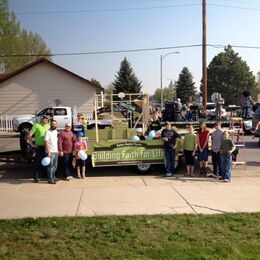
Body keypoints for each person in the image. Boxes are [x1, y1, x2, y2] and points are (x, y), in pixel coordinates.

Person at [28, 115, 50, 183]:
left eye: (45, 119)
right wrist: (32, 144)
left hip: (47, 147)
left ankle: (45, 175)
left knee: (46, 162)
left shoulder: (48, 126)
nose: (44, 120)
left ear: (47, 120)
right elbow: (29, 135)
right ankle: (35, 177)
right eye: (43, 119)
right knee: (38, 162)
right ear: (41, 119)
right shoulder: (36, 125)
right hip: (39, 147)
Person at [45, 120, 59, 184]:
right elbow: (46, 142)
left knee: (55, 166)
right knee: (50, 166)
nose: (54, 125)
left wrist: (57, 150)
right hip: (50, 151)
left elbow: (55, 141)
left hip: (55, 151)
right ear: (50, 124)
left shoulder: (56, 131)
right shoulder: (47, 132)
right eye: (53, 124)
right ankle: (50, 179)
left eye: (55, 124)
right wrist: (48, 152)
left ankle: (53, 176)